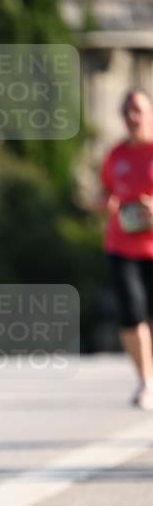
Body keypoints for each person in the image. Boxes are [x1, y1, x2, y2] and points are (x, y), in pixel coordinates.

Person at [100, 88, 153, 410]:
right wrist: (104, 201)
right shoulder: (116, 155)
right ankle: (146, 381)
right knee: (132, 315)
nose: (133, 117)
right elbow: (104, 190)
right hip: (121, 245)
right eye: (127, 112)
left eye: (139, 110)